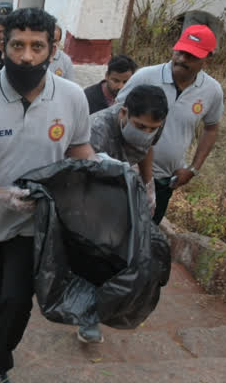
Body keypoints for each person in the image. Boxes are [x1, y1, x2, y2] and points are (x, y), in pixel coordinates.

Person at [0, 7, 94, 383]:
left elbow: (79, 150)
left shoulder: (72, 98)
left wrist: (103, 173)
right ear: (2, 45)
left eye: (37, 46)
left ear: (51, 48)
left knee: (16, 299)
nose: (27, 56)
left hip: (39, 225)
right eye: (18, 45)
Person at [82, 83, 168, 343]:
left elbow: (146, 149)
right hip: (87, 190)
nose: (147, 133)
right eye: (140, 127)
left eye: (153, 129)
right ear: (123, 114)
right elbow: (79, 172)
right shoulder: (96, 129)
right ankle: (85, 310)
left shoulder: (153, 126)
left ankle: (92, 313)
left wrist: (148, 182)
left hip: (121, 189)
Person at [117, 24, 223, 225]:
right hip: (126, 172)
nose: (182, 59)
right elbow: (115, 114)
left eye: (191, 56)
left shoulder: (212, 91)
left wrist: (193, 169)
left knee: (145, 236)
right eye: (180, 52)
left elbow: (211, 128)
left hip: (164, 180)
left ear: (208, 58)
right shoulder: (145, 77)